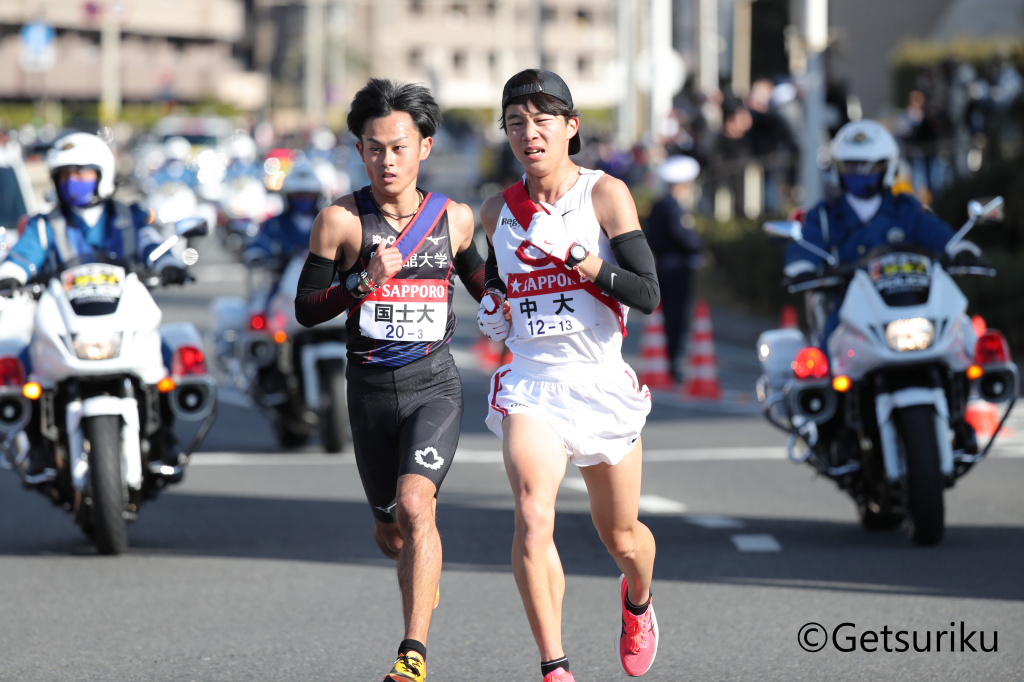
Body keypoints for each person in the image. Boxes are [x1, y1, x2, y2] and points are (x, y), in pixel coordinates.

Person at [293, 78, 487, 682]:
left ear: (424, 147)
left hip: (434, 385)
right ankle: (420, 578)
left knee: (415, 505)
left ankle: (412, 655)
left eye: (399, 147)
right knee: (391, 529)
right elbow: (305, 308)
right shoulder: (340, 222)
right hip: (369, 390)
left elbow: (490, 290)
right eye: (374, 148)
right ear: (359, 151)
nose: (387, 160)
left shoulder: (453, 219)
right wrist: (360, 283)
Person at [476, 69, 661, 682]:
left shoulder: (605, 195)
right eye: (516, 123)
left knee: (624, 538)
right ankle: (555, 667)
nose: (529, 134)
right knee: (532, 514)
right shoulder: (496, 210)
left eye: (542, 121)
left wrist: (581, 259)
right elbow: (498, 289)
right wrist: (495, 310)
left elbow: (648, 293)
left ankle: (637, 601)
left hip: (599, 378)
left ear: (570, 128)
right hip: (533, 380)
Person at [0, 131, 190, 483]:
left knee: (165, 361)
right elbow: (22, 256)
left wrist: (168, 265)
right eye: (66, 175)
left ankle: (163, 437)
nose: (74, 182)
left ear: (101, 174)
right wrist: (10, 275)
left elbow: (153, 245)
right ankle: (39, 445)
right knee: (27, 365)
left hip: (120, 312)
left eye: (82, 172)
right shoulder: (45, 224)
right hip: (67, 316)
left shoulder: (129, 216)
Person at [783, 118, 978, 350]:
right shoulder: (824, 216)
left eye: (869, 166)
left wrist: (961, 250)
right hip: (849, 314)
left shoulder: (905, 209)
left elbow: (936, 233)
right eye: (851, 166)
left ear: (888, 168)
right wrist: (802, 269)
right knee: (826, 359)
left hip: (912, 308)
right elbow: (805, 246)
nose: (859, 173)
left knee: (964, 345)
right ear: (837, 169)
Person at [644, 155, 704, 383]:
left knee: (665, 315)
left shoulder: (659, 205)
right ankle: (671, 364)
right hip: (677, 267)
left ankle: (665, 361)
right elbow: (682, 236)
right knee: (675, 317)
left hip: (662, 266)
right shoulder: (674, 207)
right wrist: (699, 247)